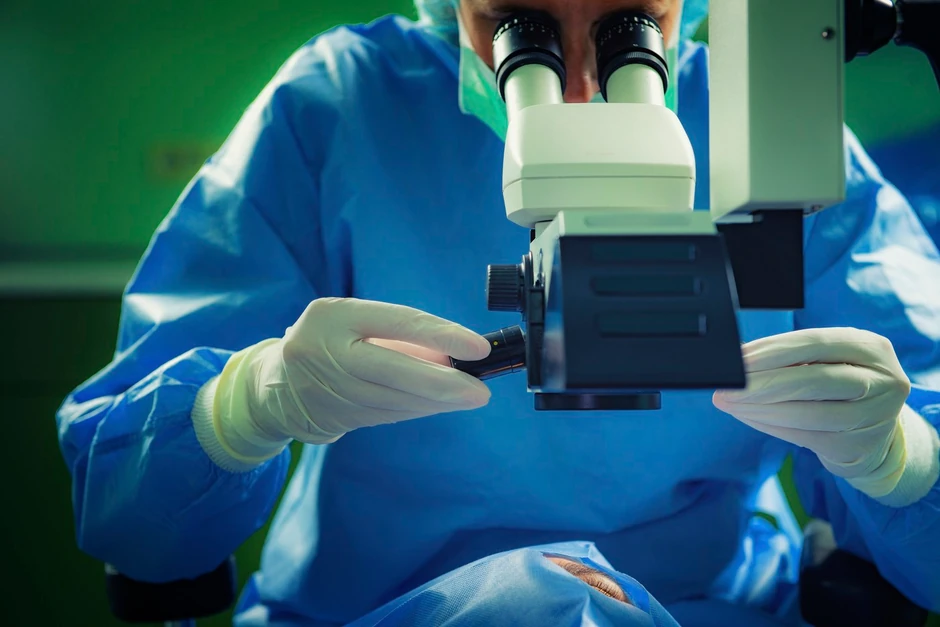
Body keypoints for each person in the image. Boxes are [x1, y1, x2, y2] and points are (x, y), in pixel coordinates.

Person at [55, 0, 940, 625]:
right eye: (521, 27)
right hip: (383, 608)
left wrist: (901, 458)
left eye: (631, 26)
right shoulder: (336, 109)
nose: (582, 83)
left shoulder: (772, 126)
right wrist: (245, 404)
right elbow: (125, 512)